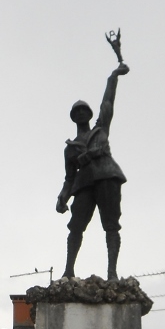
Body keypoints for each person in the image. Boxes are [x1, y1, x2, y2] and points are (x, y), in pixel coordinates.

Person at [56, 61, 129, 279]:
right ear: (73, 117)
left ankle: (112, 273)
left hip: (107, 177)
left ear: (89, 114)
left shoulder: (100, 129)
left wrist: (113, 76)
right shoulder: (70, 149)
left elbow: (108, 101)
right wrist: (63, 197)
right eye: (76, 111)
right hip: (84, 184)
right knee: (75, 226)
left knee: (111, 225)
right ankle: (68, 271)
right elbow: (69, 178)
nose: (80, 113)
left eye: (83, 110)